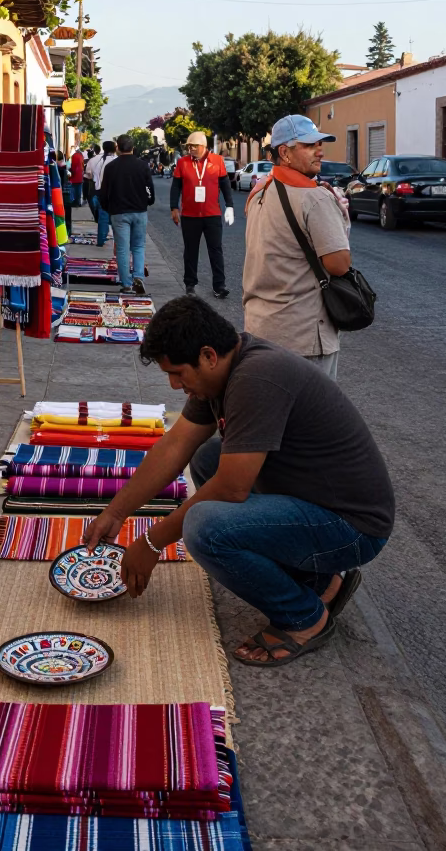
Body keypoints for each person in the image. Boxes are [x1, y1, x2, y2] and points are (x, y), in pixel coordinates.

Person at [84, 295, 394, 667]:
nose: (173, 385)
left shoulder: (257, 377)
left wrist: (152, 543)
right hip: (320, 505)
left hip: (354, 530)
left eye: (178, 373)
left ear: (208, 355)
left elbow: (232, 488)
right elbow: (175, 446)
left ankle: (305, 618)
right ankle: (321, 584)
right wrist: (116, 512)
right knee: (207, 457)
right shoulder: (222, 373)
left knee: (204, 526)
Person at [243, 115, 351, 380]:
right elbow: (339, 264)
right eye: (309, 145)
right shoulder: (314, 197)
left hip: (260, 329)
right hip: (302, 337)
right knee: (311, 420)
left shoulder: (260, 191)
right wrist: (340, 216)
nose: (320, 150)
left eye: (320, 144)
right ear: (284, 152)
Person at [171, 132, 234, 299]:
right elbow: (176, 186)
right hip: (190, 215)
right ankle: (190, 284)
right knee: (191, 251)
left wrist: (230, 206)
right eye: (188, 146)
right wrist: (174, 208)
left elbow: (225, 185)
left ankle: (219, 286)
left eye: (194, 146)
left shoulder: (217, 161)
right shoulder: (182, 163)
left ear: (203, 146)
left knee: (216, 250)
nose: (190, 149)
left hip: (212, 214)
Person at [98, 133, 154, 293]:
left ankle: (126, 283)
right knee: (138, 246)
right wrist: (148, 201)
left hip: (119, 212)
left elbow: (104, 193)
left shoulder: (110, 167)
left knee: (122, 248)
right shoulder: (143, 166)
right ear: (133, 148)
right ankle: (138, 277)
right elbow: (149, 188)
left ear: (118, 148)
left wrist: (108, 208)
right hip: (139, 211)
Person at [94, 140, 117, 246]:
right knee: (116, 218)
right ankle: (118, 240)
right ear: (115, 148)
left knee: (103, 217)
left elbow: (94, 177)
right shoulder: (116, 161)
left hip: (100, 192)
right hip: (113, 192)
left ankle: (101, 239)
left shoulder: (100, 161)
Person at [84, 144, 103, 221]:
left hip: (93, 183)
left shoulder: (91, 160)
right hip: (104, 184)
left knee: (92, 199)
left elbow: (88, 173)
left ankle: (96, 215)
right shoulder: (104, 159)